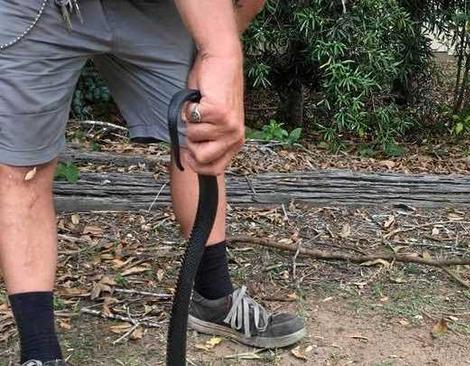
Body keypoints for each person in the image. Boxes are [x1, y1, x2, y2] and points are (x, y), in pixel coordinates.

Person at [0, 1, 306, 365]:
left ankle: (214, 298)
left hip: (159, 8)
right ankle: (40, 353)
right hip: (43, 7)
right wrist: (219, 51)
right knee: (21, 167)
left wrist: (219, 50)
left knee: (202, 134)